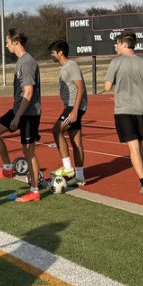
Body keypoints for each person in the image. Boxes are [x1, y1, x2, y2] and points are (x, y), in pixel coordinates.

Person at [0, 29, 43, 202]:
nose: (6, 45)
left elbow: (28, 93)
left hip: (28, 113)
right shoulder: (21, 61)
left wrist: (17, 117)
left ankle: (34, 191)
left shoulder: (27, 62)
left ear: (15, 42)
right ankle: (7, 168)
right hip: (19, 109)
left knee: (28, 151)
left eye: (7, 42)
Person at [103, 32, 143, 195]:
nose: (116, 47)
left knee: (133, 148)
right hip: (140, 110)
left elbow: (106, 87)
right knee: (140, 145)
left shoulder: (116, 62)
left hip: (123, 110)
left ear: (125, 45)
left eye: (117, 44)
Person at [48, 40, 88, 186]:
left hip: (74, 106)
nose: (51, 55)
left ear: (60, 53)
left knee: (56, 130)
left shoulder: (72, 65)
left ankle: (67, 168)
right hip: (71, 106)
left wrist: (75, 110)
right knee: (76, 142)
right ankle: (80, 176)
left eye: (52, 52)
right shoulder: (65, 67)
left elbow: (80, 88)